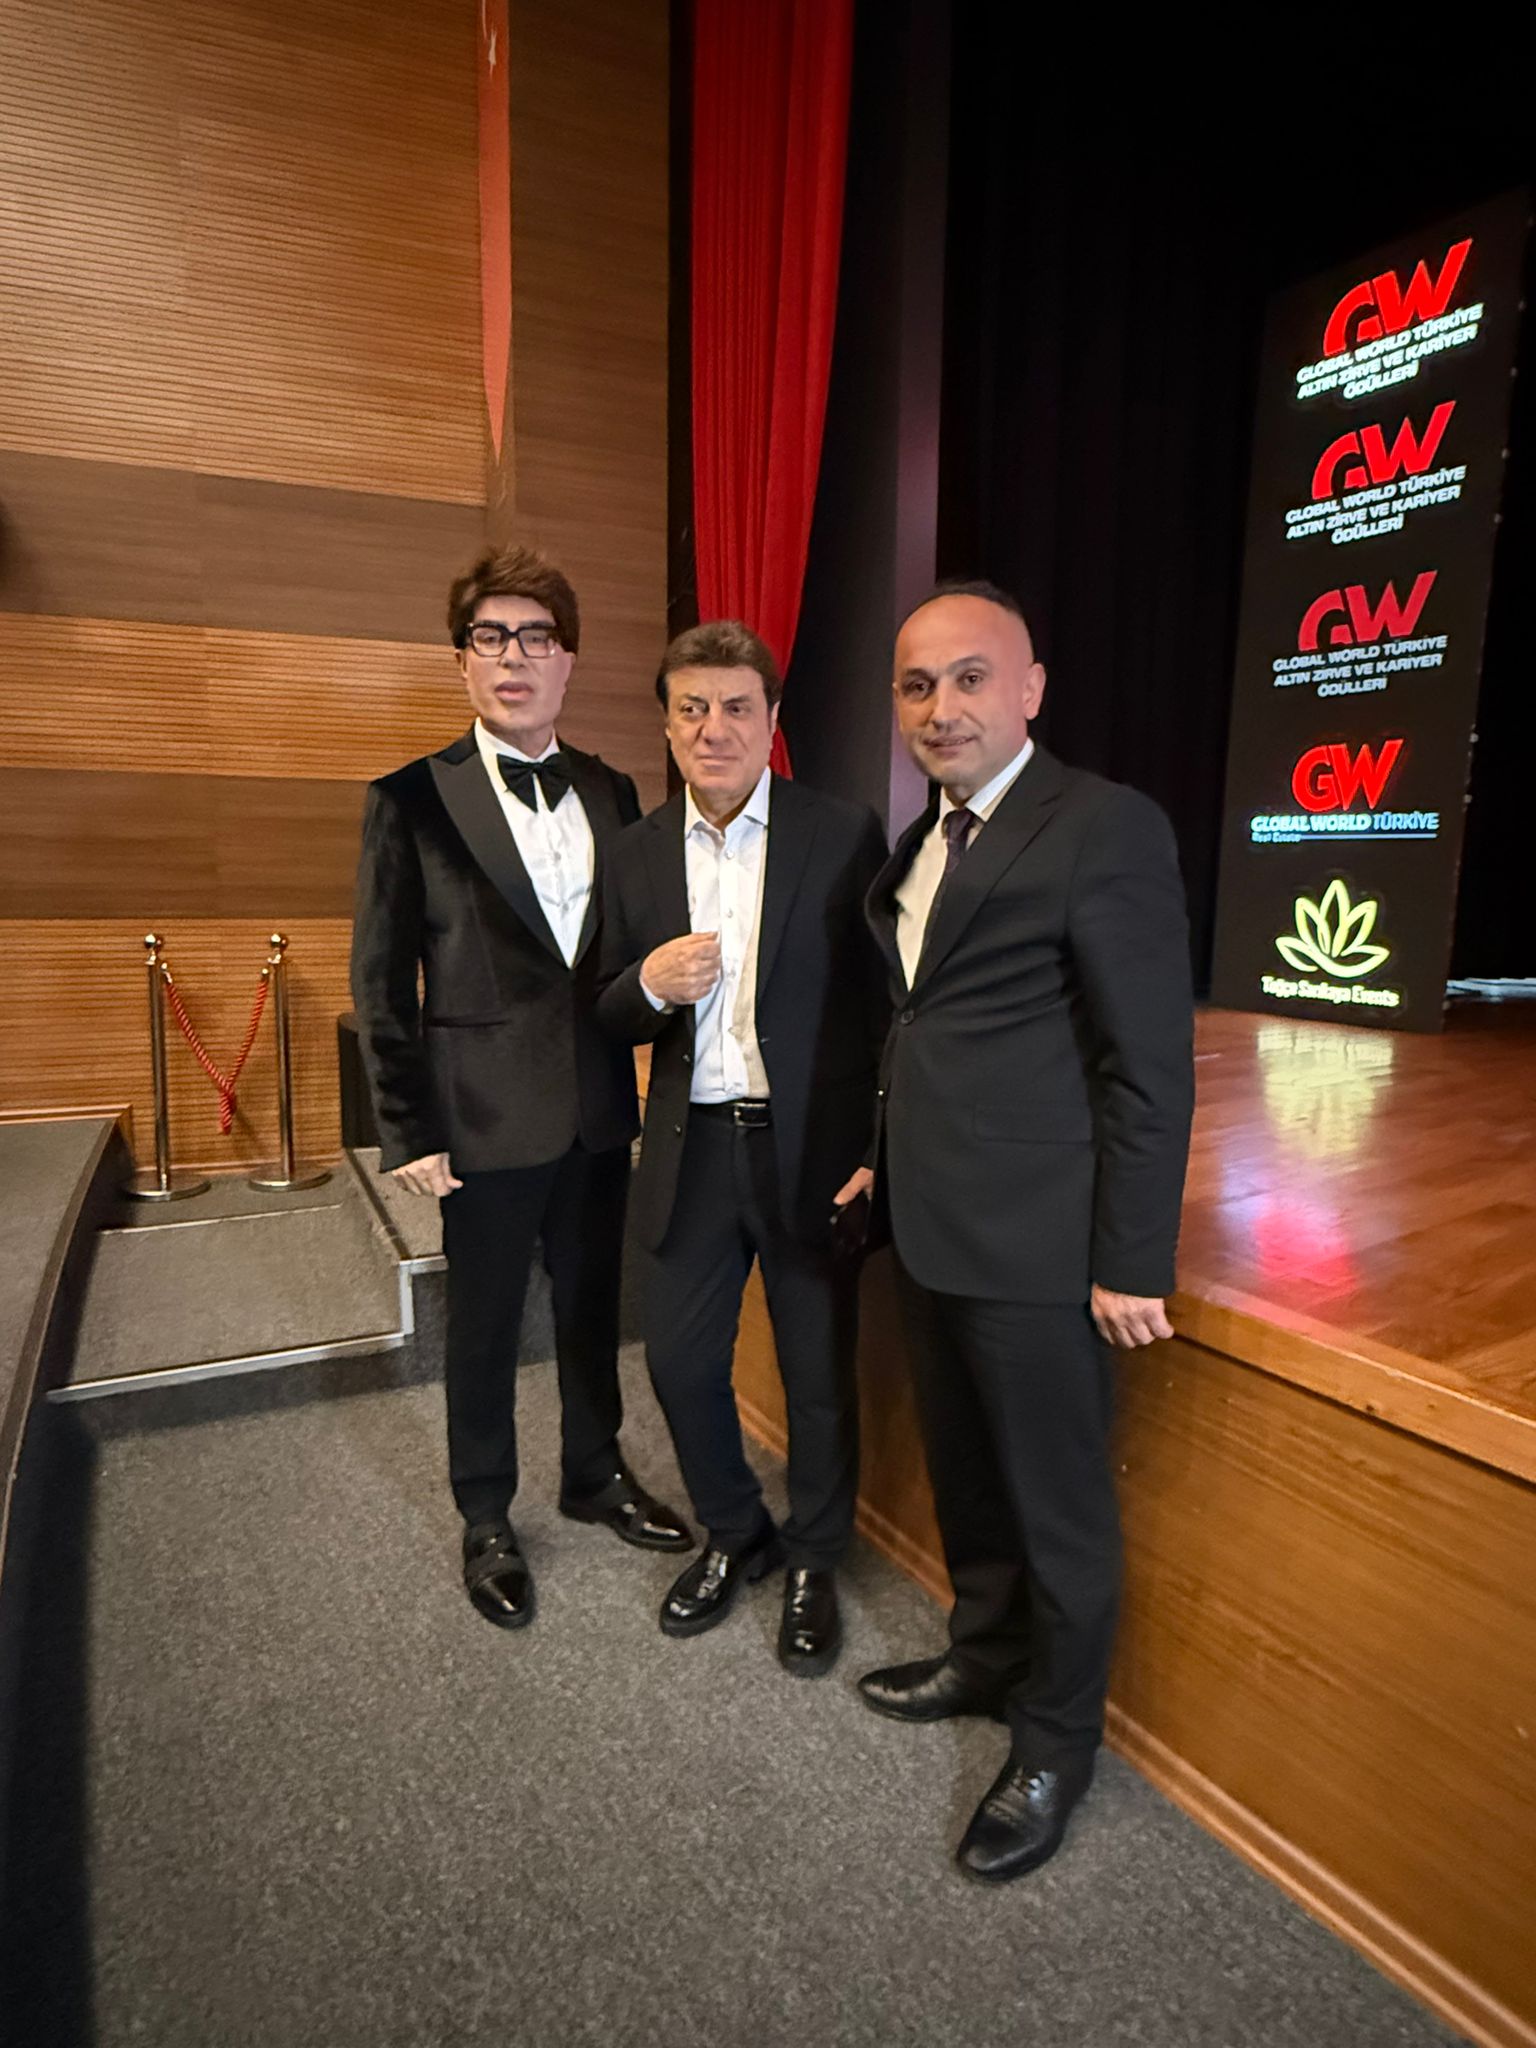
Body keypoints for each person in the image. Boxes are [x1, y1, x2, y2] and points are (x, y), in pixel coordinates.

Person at [843, 579, 1193, 1879]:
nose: (942, 706)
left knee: (1058, 1511)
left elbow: (1147, 1064)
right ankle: (987, 1658)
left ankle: (1055, 1743)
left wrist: (1130, 1257)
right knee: (969, 1476)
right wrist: (880, 1162)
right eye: (918, 684)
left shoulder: (1103, 825)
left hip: (1044, 1247)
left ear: (1032, 688)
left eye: (971, 676)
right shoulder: (922, 840)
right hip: (932, 1226)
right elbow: (924, 1026)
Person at [350, 544, 689, 1631]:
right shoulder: (409, 799)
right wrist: (408, 1127)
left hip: (595, 1107)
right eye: (490, 637)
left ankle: (594, 1471)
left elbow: (623, 956)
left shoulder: (612, 788)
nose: (513, 657)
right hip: (480, 1118)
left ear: (567, 659)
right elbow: (380, 979)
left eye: (535, 637)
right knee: (486, 1326)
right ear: (462, 659)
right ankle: (486, 1513)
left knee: (592, 1309)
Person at [597, 621, 889, 1674]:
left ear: (772, 720)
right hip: (693, 1152)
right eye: (692, 708)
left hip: (811, 1150)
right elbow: (601, 1006)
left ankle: (815, 1557)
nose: (712, 728)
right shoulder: (634, 852)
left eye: (735, 707)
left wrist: (876, 1147)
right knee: (677, 1363)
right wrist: (645, 985)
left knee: (816, 1376)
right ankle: (736, 1531)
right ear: (668, 725)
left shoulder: (842, 832)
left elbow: (886, 1005)